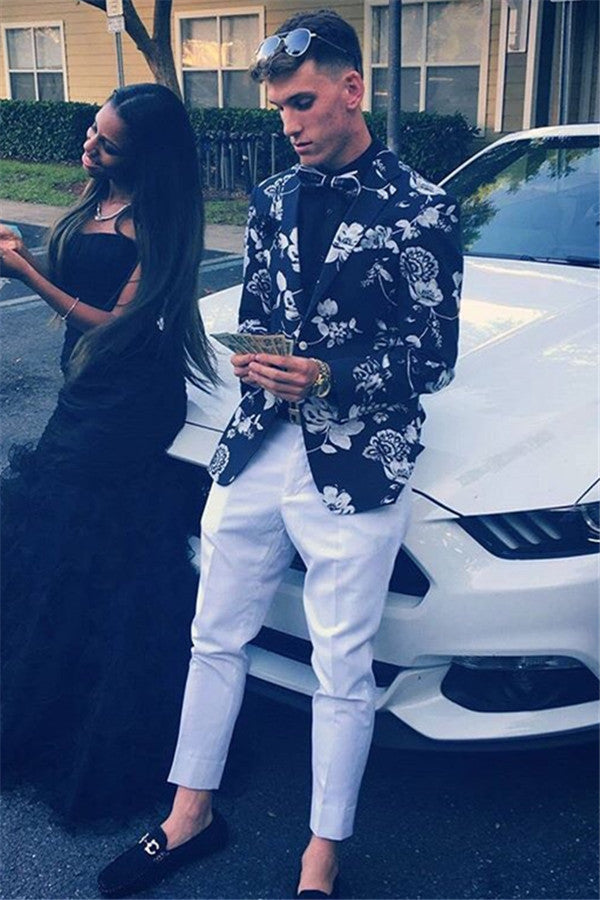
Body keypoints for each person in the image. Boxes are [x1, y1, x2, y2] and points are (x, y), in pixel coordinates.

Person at [98, 9, 462, 898]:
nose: (289, 123)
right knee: (213, 633)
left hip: (359, 460)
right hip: (258, 443)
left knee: (342, 667)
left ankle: (320, 857)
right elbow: (260, 312)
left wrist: (328, 375)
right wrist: (256, 358)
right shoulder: (270, 199)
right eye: (279, 110)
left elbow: (434, 356)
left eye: (302, 103)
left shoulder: (423, 207)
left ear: (352, 90)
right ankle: (190, 813)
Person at [0, 83, 218, 825]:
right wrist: (26, 255)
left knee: (92, 542)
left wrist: (27, 276)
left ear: (146, 158)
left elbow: (117, 326)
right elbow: (78, 283)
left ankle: (105, 715)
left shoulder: (159, 221)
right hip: (85, 389)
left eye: (108, 143)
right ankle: (53, 689)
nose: (90, 146)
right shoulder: (96, 199)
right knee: (64, 541)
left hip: (130, 403)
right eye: (94, 130)